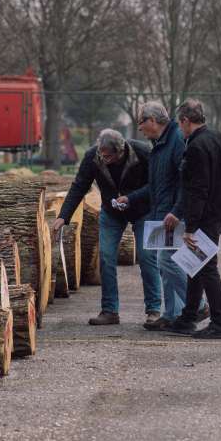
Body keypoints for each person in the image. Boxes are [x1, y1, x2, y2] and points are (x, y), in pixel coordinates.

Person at [51, 129, 160, 325]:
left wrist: (131, 198)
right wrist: (63, 216)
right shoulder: (93, 156)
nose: (104, 159)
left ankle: (154, 310)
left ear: (121, 151)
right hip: (111, 212)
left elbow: (156, 184)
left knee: (146, 257)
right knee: (106, 257)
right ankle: (110, 310)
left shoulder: (142, 152)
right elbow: (80, 186)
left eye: (108, 156)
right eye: (102, 154)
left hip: (144, 210)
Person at [117, 102, 207, 331]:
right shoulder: (158, 145)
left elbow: (184, 181)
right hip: (163, 213)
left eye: (141, 122)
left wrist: (177, 211)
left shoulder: (175, 140)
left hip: (173, 215)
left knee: (167, 261)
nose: (139, 128)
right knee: (164, 265)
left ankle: (199, 305)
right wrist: (132, 198)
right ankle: (172, 314)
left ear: (153, 120)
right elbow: (156, 185)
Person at [167, 98, 221, 339]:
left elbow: (197, 190)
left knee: (207, 267)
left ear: (186, 121)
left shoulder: (196, 147)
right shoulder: (220, 139)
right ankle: (189, 316)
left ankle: (220, 323)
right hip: (217, 213)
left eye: (180, 124)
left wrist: (190, 227)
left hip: (205, 216)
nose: (180, 129)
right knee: (195, 264)